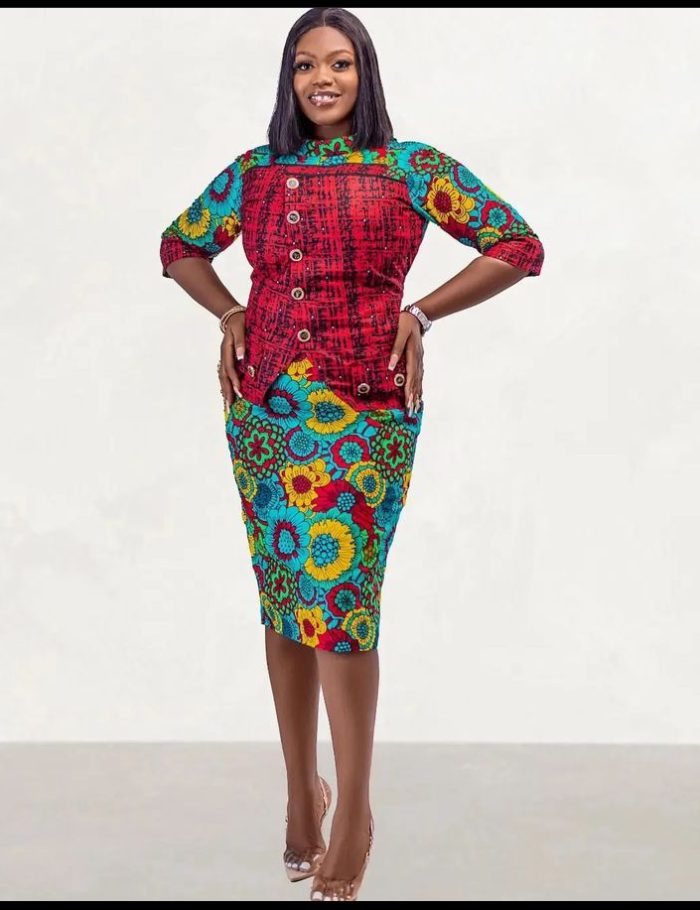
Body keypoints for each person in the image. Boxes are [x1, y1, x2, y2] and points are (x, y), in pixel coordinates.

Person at [159, 6, 544, 901]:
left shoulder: (410, 168)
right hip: (266, 411)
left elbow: (517, 245)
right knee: (285, 599)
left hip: (366, 411)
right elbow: (180, 245)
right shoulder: (256, 172)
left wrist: (423, 314)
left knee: (340, 605)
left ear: (365, 73)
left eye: (339, 63)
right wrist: (229, 310)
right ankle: (302, 792)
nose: (321, 79)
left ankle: (355, 812)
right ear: (288, 79)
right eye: (305, 65)